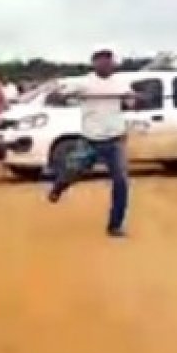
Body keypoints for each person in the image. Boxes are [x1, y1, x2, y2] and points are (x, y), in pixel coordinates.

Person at [46, 48, 137, 238]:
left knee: (121, 182)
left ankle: (115, 225)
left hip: (115, 139)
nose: (106, 65)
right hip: (90, 139)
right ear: (94, 64)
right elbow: (58, 95)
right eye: (102, 61)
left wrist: (133, 99)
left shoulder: (120, 83)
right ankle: (59, 187)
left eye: (109, 61)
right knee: (72, 170)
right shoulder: (84, 83)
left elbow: (130, 103)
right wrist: (58, 96)